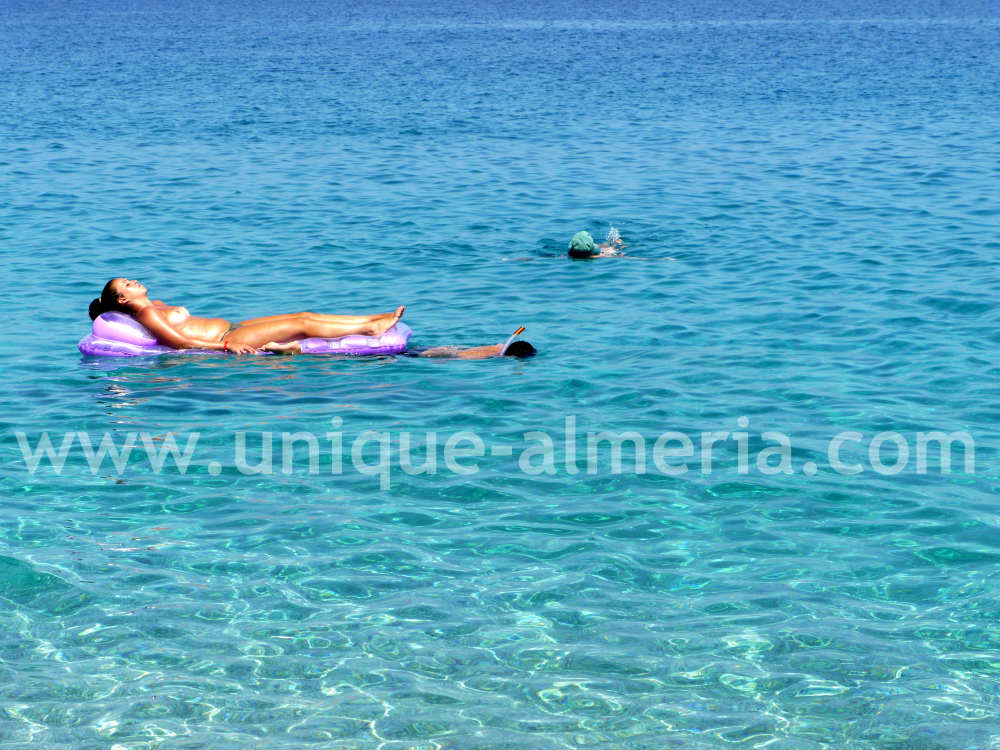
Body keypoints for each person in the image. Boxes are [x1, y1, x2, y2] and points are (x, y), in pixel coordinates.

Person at [89, 278, 404, 355]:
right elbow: (177, 341)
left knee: (303, 315)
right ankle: (372, 326)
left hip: (233, 326)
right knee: (303, 325)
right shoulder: (146, 312)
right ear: (123, 298)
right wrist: (225, 348)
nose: (135, 281)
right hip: (228, 339)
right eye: (128, 284)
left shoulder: (152, 303)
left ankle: (371, 320)